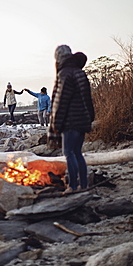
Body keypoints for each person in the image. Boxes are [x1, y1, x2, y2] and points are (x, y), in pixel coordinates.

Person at [48, 45, 95, 193]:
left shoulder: (64, 74)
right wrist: (89, 119)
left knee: (69, 153)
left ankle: (73, 186)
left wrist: (56, 123)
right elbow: (88, 100)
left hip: (70, 122)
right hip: (82, 121)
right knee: (78, 153)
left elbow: (61, 102)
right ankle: (84, 184)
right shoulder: (80, 73)